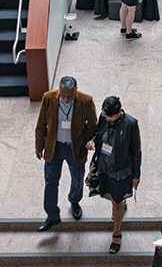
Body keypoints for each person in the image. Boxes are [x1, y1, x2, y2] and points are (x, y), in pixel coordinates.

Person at [35, 76, 97, 231]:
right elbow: (41, 123)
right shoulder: (48, 98)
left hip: (74, 148)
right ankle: (52, 215)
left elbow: (93, 126)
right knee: (50, 181)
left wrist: (84, 141)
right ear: (59, 91)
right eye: (63, 96)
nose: (66, 99)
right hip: (54, 147)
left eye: (69, 96)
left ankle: (74, 201)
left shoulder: (86, 101)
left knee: (77, 178)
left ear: (75, 90)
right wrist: (39, 146)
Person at [92, 95, 141, 254]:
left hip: (121, 169)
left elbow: (136, 151)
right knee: (107, 194)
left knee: (117, 202)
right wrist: (92, 141)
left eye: (110, 116)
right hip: (104, 166)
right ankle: (119, 206)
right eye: (105, 115)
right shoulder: (103, 117)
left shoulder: (131, 124)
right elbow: (98, 134)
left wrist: (136, 175)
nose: (107, 118)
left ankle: (117, 233)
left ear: (119, 111)